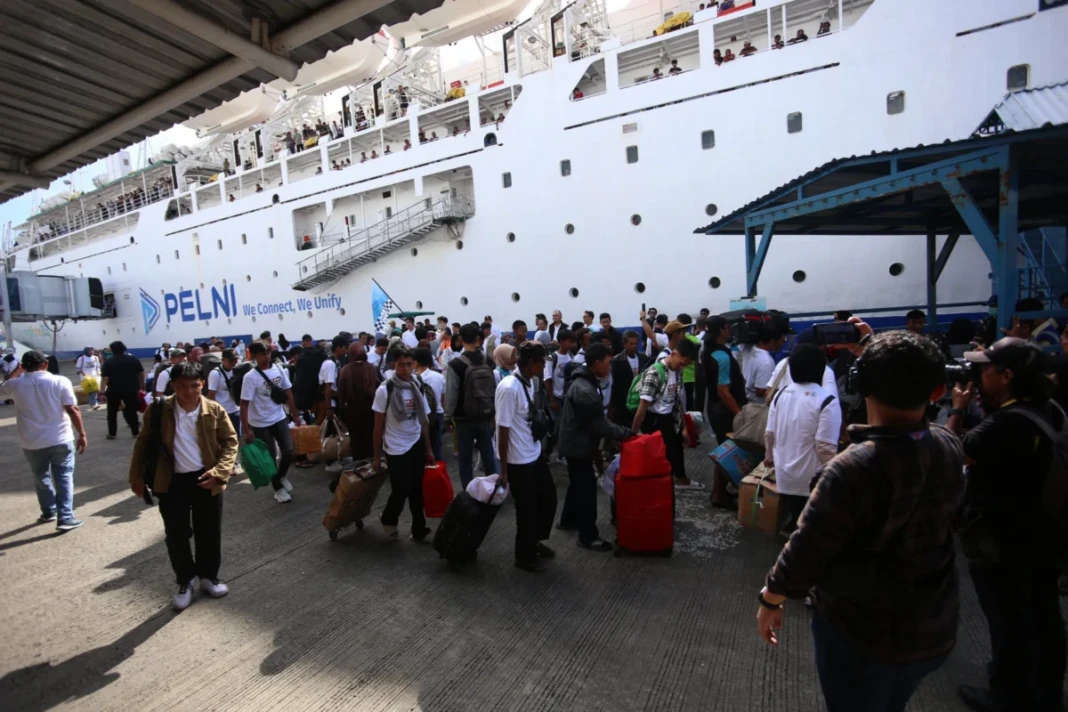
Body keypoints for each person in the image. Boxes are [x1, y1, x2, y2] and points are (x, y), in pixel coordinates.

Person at [756, 331, 962, 712]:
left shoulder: (852, 469)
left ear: (860, 382)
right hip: (932, 627)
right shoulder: (949, 447)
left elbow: (806, 549)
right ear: (937, 392)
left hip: (864, 634)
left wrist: (771, 598)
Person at [948, 337, 1067, 711]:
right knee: (1045, 618)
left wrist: (956, 411)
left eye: (986, 368)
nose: (979, 374)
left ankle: (1007, 698)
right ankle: (1046, 693)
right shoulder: (1052, 411)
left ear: (1007, 376)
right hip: (1047, 535)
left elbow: (952, 454)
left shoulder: (1004, 425)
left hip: (1004, 543)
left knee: (1008, 622)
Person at [129, 361, 237, 610]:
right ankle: (184, 581)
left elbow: (231, 443)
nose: (189, 391)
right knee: (176, 534)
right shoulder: (158, 410)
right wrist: (136, 477)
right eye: (181, 386)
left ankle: (208, 576)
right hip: (171, 481)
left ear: (203, 384)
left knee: (209, 531)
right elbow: (142, 444)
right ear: (172, 385)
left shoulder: (215, 409)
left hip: (206, 479)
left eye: (194, 385)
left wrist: (220, 473)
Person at [0, 350, 87, 531]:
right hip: (61, 438)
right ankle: (65, 517)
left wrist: (16, 373)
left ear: (23, 366)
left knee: (41, 476)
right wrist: (82, 434)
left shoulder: (14, 385)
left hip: (31, 441)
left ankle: (48, 511)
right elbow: (72, 409)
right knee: (64, 476)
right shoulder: (60, 381)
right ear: (45, 364)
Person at [558, 343, 632, 551]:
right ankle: (587, 536)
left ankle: (568, 520)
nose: (610, 367)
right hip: (577, 446)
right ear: (597, 363)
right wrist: (626, 433)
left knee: (577, 484)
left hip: (576, 443)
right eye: (608, 363)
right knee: (587, 490)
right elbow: (599, 424)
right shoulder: (585, 390)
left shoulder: (587, 380)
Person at [763, 344, 842, 535]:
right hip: (812, 476)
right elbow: (824, 448)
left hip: (785, 472)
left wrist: (769, 457)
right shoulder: (827, 400)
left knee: (797, 511)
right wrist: (837, 477)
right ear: (822, 369)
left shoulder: (781, 394)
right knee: (815, 523)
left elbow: (769, 433)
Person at [497, 342, 556, 572]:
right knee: (527, 508)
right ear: (531, 362)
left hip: (533, 451)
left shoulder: (530, 382)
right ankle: (523, 555)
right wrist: (503, 469)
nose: (544, 367)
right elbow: (502, 428)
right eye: (542, 362)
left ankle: (534, 540)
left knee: (548, 497)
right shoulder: (509, 388)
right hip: (517, 459)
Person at [372, 344, 434, 540]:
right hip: (395, 446)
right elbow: (378, 426)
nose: (406, 370)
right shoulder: (385, 390)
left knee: (417, 489)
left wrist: (428, 448)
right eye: (401, 365)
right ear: (393, 365)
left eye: (409, 365)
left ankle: (419, 528)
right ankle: (389, 518)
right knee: (401, 489)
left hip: (415, 441)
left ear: (414, 364)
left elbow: (423, 420)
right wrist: (376, 456)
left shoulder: (417, 385)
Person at [630, 338, 702, 490]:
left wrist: (683, 426)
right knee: (663, 454)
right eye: (682, 363)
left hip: (670, 418)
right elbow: (642, 408)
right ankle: (667, 483)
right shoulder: (654, 373)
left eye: (686, 365)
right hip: (654, 421)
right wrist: (632, 434)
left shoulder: (677, 371)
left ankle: (679, 479)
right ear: (674, 354)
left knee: (676, 449)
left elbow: (677, 400)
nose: (682, 366)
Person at [240, 340, 300, 503]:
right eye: (261, 354)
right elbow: (244, 404)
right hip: (260, 423)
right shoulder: (250, 377)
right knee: (271, 458)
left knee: (289, 452)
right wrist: (247, 430)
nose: (266, 357)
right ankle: (278, 489)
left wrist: (295, 415)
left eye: (267, 353)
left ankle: (280, 477)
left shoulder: (278, 369)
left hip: (279, 417)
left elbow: (288, 392)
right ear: (254, 356)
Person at [445, 323, 498, 488]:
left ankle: (469, 492)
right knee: (488, 455)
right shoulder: (488, 361)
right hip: (486, 414)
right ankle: (494, 490)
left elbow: (451, 395)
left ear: (460, 339)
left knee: (465, 459)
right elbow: (493, 388)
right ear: (478, 339)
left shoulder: (455, 364)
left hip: (463, 418)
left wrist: (447, 417)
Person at [336, 342, 380, 460]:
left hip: (352, 411)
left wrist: (342, 413)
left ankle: (358, 466)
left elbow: (341, 394)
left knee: (356, 441)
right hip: (370, 410)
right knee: (369, 440)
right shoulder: (371, 367)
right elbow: (376, 389)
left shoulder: (345, 370)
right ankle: (371, 465)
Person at [101, 340, 145, 440]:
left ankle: (112, 433)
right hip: (131, 389)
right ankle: (135, 432)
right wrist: (143, 385)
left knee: (112, 412)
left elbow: (105, 378)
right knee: (132, 411)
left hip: (114, 390)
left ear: (112, 350)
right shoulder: (133, 359)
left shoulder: (109, 362)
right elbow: (141, 373)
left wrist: (102, 392)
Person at [609, 330, 648, 426]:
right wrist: (614, 405)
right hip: (624, 401)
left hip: (640, 399)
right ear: (624, 344)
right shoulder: (616, 361)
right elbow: (613, 384)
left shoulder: (644, 358)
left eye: (636, 343)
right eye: (631, 344)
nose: (634, 346)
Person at [414, 347, 445, 462]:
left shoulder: (414, 380)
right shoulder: (439, 377)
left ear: (415, 362)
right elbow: (443, 398)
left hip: (422, 417)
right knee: (437, 445)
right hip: (438, 413)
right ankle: (438, 469)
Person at [744, 324, 785, 404]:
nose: (782, 344)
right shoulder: (765, 361)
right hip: (758, 407)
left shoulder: (751, 350)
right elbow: (761, 391)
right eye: (782, 340)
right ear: (772, 341)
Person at [205, 348, 241, 438]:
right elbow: (211, 396)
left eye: (236, 360)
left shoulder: (237, 370)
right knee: (225, 439)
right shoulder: (215, 374)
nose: (234, 363)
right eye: (231, 360)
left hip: (236, 410)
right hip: (222, 412)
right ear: (223, 360)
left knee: (237, 437)